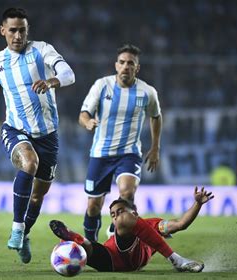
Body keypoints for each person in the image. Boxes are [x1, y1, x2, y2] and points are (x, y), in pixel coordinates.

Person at [0, 8, 75, 263]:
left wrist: (51, 82)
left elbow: (69, 75)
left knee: (38, 194)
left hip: (48, 134)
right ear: (3, 31)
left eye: (22, 30)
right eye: (13, 30)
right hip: (15, 129)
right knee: (29, 163)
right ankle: (17, 228)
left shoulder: (42, 50)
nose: (18, 36)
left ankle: (24, 234)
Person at [78, 44, 162, 241]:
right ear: (116, 65)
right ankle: (91, 243)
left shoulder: (147, 92)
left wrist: (155, 147)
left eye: (130, 63)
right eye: (122, 62)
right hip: (100, 154)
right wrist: (88, 122)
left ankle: (118, 232)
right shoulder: (102, 86)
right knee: (93, 206)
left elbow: (156, 116)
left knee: (127, 192)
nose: (126, 66)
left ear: (137, 68)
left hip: (129, 153)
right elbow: (83, 114)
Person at [50, 186, 214, 273]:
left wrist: (198, 204)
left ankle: (176, 259)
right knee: (87, 247)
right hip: (111, 258)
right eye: (113, 214)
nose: (116, 216)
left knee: (122, 222)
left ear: (134, 213)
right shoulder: (121, 227)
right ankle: (71, 236)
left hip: (130, 259)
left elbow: (180, 224)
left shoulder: (153, 225)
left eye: (120, 211)